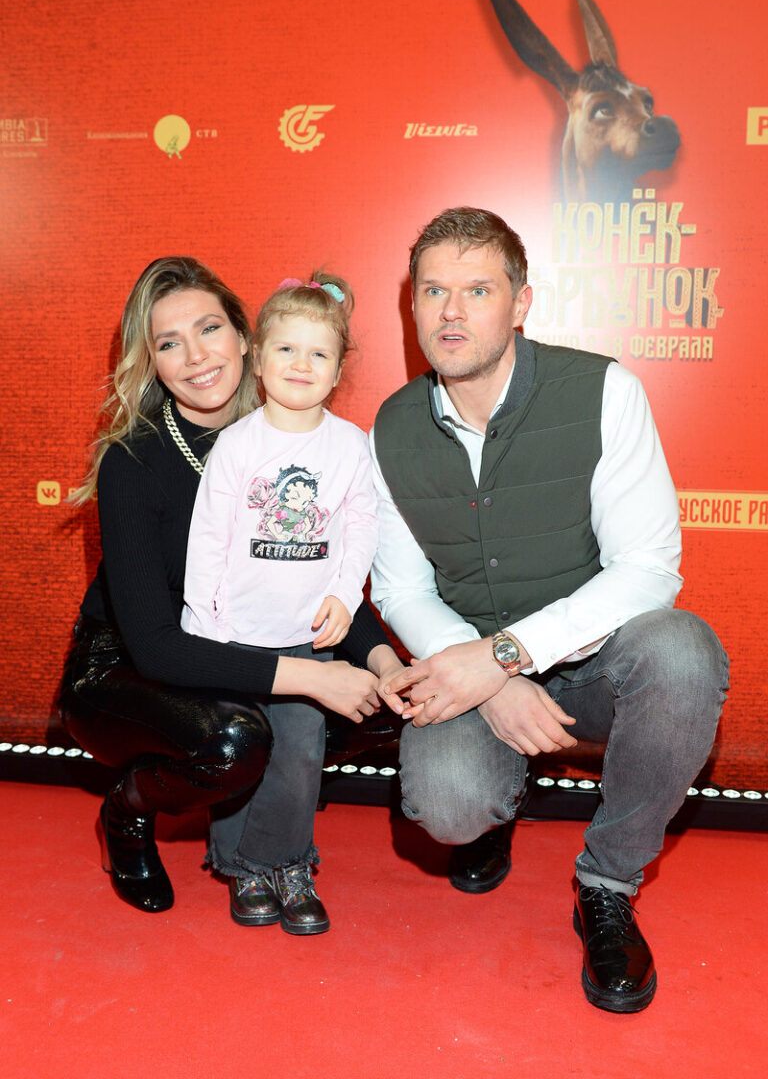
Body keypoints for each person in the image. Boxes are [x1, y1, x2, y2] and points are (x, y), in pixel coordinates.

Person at [370, 208, 729, 1013]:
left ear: (521, 303)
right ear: (411, 304)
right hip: (473, 667)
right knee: (448, 807)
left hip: (595, 665)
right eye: (433, 290)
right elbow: (400, 589)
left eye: (477, 290)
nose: (451, 311)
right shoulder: (389, 429)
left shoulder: (603, 391)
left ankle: (608, 884)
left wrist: (508, 655)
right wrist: (493, 682)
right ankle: (497, 804)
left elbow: (648, 569)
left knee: (682, 652)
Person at [59, 256, 402, 920]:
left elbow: (315, 569)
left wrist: (383, 660)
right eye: (169, 343)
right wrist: (313, 678)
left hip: (261, 635)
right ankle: (130, 807)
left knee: (385, 703)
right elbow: (158, 646)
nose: (195, 356)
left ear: (247, 338)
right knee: (236, 740)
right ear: (151, 362)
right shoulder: (133, 460)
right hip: (131, 665)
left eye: (209, 328)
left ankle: (279, 814)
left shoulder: (295, 432)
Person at [181, 273, 379, 935]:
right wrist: (203, 628)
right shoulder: (238, 445)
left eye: (319, 353)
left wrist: (344, 595)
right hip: (234, 638)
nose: (301, 364)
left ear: (338, 370)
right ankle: (241, 867)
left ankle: (290, 864)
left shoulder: (350, 446)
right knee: (243, 757)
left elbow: (362, 529)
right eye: (287, 349)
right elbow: (208, 539)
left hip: (306, 639)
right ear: (259, 359)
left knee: (298, 758)